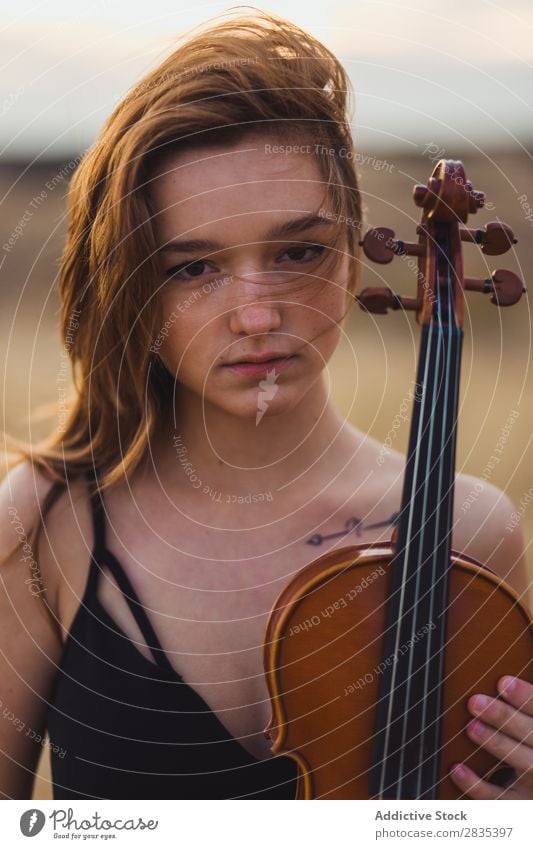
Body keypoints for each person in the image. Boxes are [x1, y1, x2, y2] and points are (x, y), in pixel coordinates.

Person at [0, 9, 531, 801]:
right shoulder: (48, 525)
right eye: (192, 268)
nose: (255, 314)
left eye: (296, 251)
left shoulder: (473, 532)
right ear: (131, 288)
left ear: (355, 253)